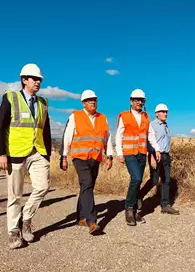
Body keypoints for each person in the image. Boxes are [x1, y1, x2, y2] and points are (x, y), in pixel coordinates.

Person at [0, 63, 52, 249]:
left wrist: (48, 153)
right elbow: (0, 127)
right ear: (24, 80)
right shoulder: (10, 97)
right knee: (15, 196)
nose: (38, 82)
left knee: (42, 187)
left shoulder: (43, 102)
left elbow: (46, 130)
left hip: (38, 152)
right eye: (34, 79)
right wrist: (0, 153)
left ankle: (26, 218)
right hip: (15, 153)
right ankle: (13, 231)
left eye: (39, 79)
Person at [60, 90, 113, 235]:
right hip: (79, 157)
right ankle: (92, 221)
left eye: (94, 100)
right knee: (87, 183)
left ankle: (81, 217)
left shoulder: (103, 118)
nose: (93, 102)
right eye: (89, 100)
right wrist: (64, 156)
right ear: (83, 103)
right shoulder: (75, 116)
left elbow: (108, 138)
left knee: (87, 186)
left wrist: (109, 156)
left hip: (95, 157)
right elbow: (67, 137)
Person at [115, 89, 161, 226]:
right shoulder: (124, 116)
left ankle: (135, 212)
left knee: (138, 181)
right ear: (131, 101)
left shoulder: (146, 117)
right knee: (136, 178)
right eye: (136, 99)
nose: (139, 102)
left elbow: (150, 135)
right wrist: (119, 153)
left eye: (141, 100)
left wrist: (157, 149)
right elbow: (119, 135)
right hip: (129, 153)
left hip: (142, 152)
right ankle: (129, 209)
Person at [139, 104, 179, 215]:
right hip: (155, 155)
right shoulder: (152, 125)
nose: (165, 114)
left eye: (166, 112)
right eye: (162, 111)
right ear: (157, 114)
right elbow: (149, 141)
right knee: (154, 180)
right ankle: (139, 196)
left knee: (166, 180)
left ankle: (165, 205)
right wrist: (151, 156)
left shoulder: (165, 126)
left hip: (165, 155)